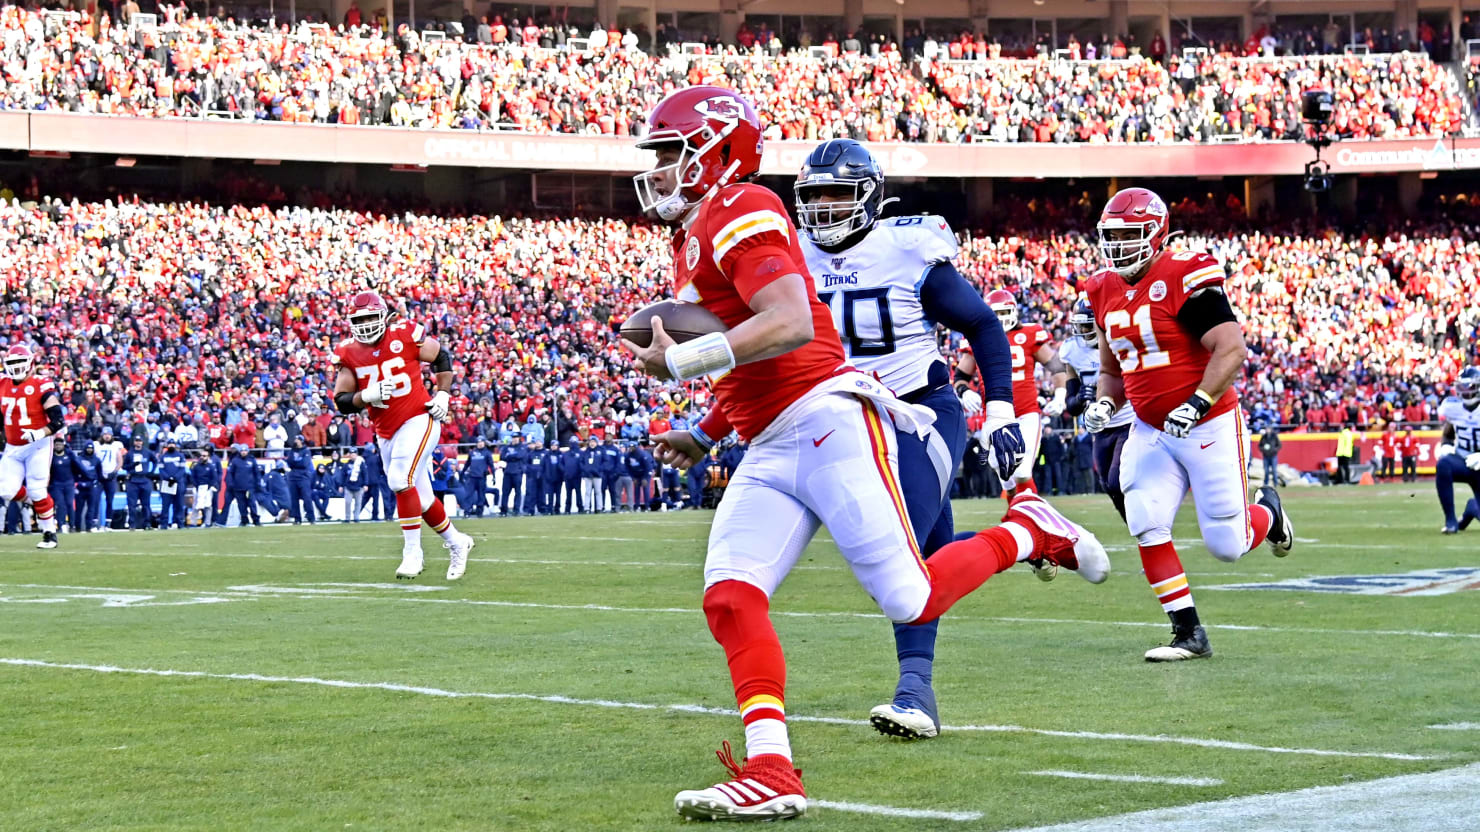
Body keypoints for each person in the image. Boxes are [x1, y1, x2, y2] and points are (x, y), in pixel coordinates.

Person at [623, 86, 1104, 821]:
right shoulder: (696, 230)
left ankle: (1029, 531)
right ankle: (772, 772)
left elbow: (785, 323)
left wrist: (686, 362)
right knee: (729, 594)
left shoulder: (743, 206)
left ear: (716, 151)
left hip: (826, 423)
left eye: (668, 153)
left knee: (909, 594)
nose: (657, 170)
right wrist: (706, 428)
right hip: (768, 438)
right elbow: (760, 345)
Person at [793, 137, 1032, 740]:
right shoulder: (794, 255)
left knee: (899, 559)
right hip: (848, 422)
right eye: (812, 196)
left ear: (870, 198)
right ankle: (1026, 537)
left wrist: (999, 409)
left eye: (835, 194)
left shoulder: (905, 247)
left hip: (921, 414)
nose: (821, 209)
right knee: (927, 556)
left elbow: (981, 324)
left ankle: (914, 692)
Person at [1084, 186, 1294, 662]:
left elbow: (1232, 347)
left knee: (1228, 545)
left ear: (1155, 234)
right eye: (1111, 236)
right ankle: (1188, 632)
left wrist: (1198, 402)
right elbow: (1112, 370)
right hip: (1150, 428)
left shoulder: (1182, 273)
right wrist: (1102, 403)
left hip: (1208, 424)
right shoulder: (1100, 289)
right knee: (1144, 518)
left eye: (1129, 234)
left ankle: (1269, 513)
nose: (1118, 246)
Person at [331, 290, 474, 581]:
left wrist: (444, 394)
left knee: (399, 479)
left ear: (383, 315)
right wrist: (365, 396)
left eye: (372, 317)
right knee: (419, 499)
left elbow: (441, 356)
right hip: (385, 430)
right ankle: (458, 541)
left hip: (419, 417)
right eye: (361, 319)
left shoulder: (405, 333)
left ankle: (413, 552)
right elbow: (341, 400)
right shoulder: (348, 351)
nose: (367, 324)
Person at [957, 289, 1068, 496]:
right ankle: (1016, 518)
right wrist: (964, 391)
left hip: (1026, 412)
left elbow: (1056, 366)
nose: (1000, 319)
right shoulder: (976, 338)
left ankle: (1032, 520)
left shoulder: (1028, 334)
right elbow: (960, 376)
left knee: (1023, 471)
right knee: (1007, 479)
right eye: (995, 313)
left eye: (1004, 313)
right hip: (996, 416)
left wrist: (1060, 395)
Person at [1059, 296, 1132, 518]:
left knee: (1116, 479)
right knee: (1107, 484)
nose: (1082, 329)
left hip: (1128, 420)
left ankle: (1146, 523)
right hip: (1099, 427)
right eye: (1079, 324)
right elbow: (1071, 406)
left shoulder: (1119, 344)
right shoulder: (1072, 350)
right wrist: (1082, 397)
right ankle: (1135, 526)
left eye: (1087, 324)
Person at [0, 344, 66, 548]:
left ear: (30, 362)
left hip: (38, 444)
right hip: (12, 446)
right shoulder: (2, 383)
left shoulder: (41, 384)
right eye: (12, 363)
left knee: (37, 489)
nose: (17, 367)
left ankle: (49, 534)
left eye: (20, 362)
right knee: (5, 490)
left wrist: (39, 433)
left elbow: (58, 420)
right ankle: (40, 503)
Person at [1436, 367, 1480, 533]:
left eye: (1470, 386)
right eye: (1463, 386)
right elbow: (1448, 432)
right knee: (1444, 464)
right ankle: (1451, 521)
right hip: (1462, 461)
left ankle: (1471, 508)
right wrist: (1446, 446)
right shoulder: (1453, 408)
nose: (1466, 391)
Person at [47, 435, 80, 536]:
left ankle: (72, 525)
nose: (58, 446)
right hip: (57, 484)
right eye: (56, 444)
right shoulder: (51, 458)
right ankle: (61, 525)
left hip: (69, 483)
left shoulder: (69, 456)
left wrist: (76, 479)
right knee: (60, 505)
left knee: (70, 504)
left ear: (63, 445)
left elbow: (77, 467)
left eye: (60, 444)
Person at [123, 433, 157, 530]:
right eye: (136, 441)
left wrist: (152, 471)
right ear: (134, 442)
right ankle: (132, 525)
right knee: (132, 505)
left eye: (139, 441)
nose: (138, 443)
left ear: (142, 442)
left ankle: (147, 524)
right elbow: (124, 466)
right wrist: (132, 465)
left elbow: (155, 460)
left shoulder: (147, 452)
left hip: (144, 480)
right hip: (133, 480)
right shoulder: (130, 453)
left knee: (146, 504)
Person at [225, 444, 261, 527]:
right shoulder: (235, 461)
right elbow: (230, 473)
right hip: (238, 487)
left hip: (249, 487)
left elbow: (256, 473)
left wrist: (257, 483)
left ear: (248, 451)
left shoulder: (252, 460)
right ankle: (244, 520)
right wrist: (230, 483)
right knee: (241, 505)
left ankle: (256, 520)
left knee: (252, 503)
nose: (243, 452)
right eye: (242, 451)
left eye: (245, 451)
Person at [96, 426, 125, 531]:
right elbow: (94, 461)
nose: (107, 436)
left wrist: (114, 472)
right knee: (95, 500)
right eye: (105, 434)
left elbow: (120, 461)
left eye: (108, 434)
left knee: (110, 500)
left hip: (111, 477)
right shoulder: (97, 446)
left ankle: (108, 523)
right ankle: (95, 523)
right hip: (100, 477)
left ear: (111, 435)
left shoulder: (115, 447)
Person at [286, 436, 317, 523]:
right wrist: (297, 462)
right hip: (293, 477)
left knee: (307, 498)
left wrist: (296, 463)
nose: (296, 441)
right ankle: (297, 518)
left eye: (298, 440)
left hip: (303, 477)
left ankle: (311, 517)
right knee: (294, 499)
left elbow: (304, 463)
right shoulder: (292, 450)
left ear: (301, 441)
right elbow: (289, 462)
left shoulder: (306, 451)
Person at [158, 442, 188, 528]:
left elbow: (182, 470)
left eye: (173, 444)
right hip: (167, 483)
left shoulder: (180, 456)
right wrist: (168, 478)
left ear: (175, 445)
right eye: (170, 444)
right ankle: (164, 524)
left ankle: (180, 523)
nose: (171, 446)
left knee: (179, 504)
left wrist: (175, 478)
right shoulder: (163, 456)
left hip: (178, 482)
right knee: (165, 505)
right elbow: (161, 470)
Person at [75, 441, 103, 532]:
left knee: (91, 508)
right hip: (80, 486)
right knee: (79, 508)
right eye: (88, 448)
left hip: (92, 486)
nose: (89, 450)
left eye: (91, 449)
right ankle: (77, 527)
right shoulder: (78, 459)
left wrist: (96, 482)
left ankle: (89, 527)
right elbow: (74, 472)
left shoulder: (97, 460)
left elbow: (99, 473)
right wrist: (77, 482)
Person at [461, 438, 492, 517]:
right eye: (478, 442)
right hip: (472, 477)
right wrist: (462, 473)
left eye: (481, 442)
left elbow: (491, 465)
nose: (480, 444)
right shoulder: (472, 453)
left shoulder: (487, 453)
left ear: (484, 443)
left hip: (481, 477)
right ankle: (467, 511)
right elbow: (467, 463)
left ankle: (480, 512)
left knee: (481, 495)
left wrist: (493, 475)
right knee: (468, 495)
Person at [191, 450, 221, 527]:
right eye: (201, 455)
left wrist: (209, 486)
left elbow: (214, 478)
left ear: (208, 457)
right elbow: (193, 477)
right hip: (198, 487)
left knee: (208, 506)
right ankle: (193, 523)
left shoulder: (211, 466)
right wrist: (197, 486)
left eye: (204, 456)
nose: (202, 457)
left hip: (207, 488)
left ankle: (207, 522)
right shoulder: (196, 466)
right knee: (196, 506)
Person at [500, 435, 527, 516]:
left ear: (518, 438)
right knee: (505, 492)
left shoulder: (522, 447)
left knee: (517, 492)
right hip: (507, 472)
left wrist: (509, 456)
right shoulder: (506, 447)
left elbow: (520, 455)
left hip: (517, 472)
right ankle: (503, 510)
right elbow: (502, 457)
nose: (514, 439)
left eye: (516, 437)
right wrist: (513, 456)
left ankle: (516, 510)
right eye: (513, 437)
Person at [342, 448, 367, 522]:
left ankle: (356, 517)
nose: (353, 455)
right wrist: (341, 485)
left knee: (358, 503)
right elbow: (343, 475)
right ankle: (347, 518)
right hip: (349, 486)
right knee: (348, 502)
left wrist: (365, 484)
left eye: (354, 454)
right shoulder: (346, 464)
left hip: (359, 486)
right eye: (351, 454)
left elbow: (365, 474)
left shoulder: (361, 463)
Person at [579, 436, 603, 512]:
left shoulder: (600, 451)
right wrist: (585, 470)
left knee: (598, 492)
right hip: (587, 475)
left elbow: (605, 462)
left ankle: (599, 507)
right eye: (591, 442)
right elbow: (581, 462)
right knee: (587, 492)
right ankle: (587, 508)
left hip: (597, 475)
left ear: (596, 443)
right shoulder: (585, 452)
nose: (592, 443)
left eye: (594, 442)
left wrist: (599, 470)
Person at [1259, 421, 1283, 487]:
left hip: (1273, 456)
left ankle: (1275, 484)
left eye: (1269, 429)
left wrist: (1274, 450)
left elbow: (1279, 445)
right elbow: (1260, 446)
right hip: (1266, 456)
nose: (1268, 430)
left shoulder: (1274, 436)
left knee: (1274, 470)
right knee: (1266, 471)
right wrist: (1263, 450)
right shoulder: (1264, 437)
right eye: (1267, 429)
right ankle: (1266, 483)